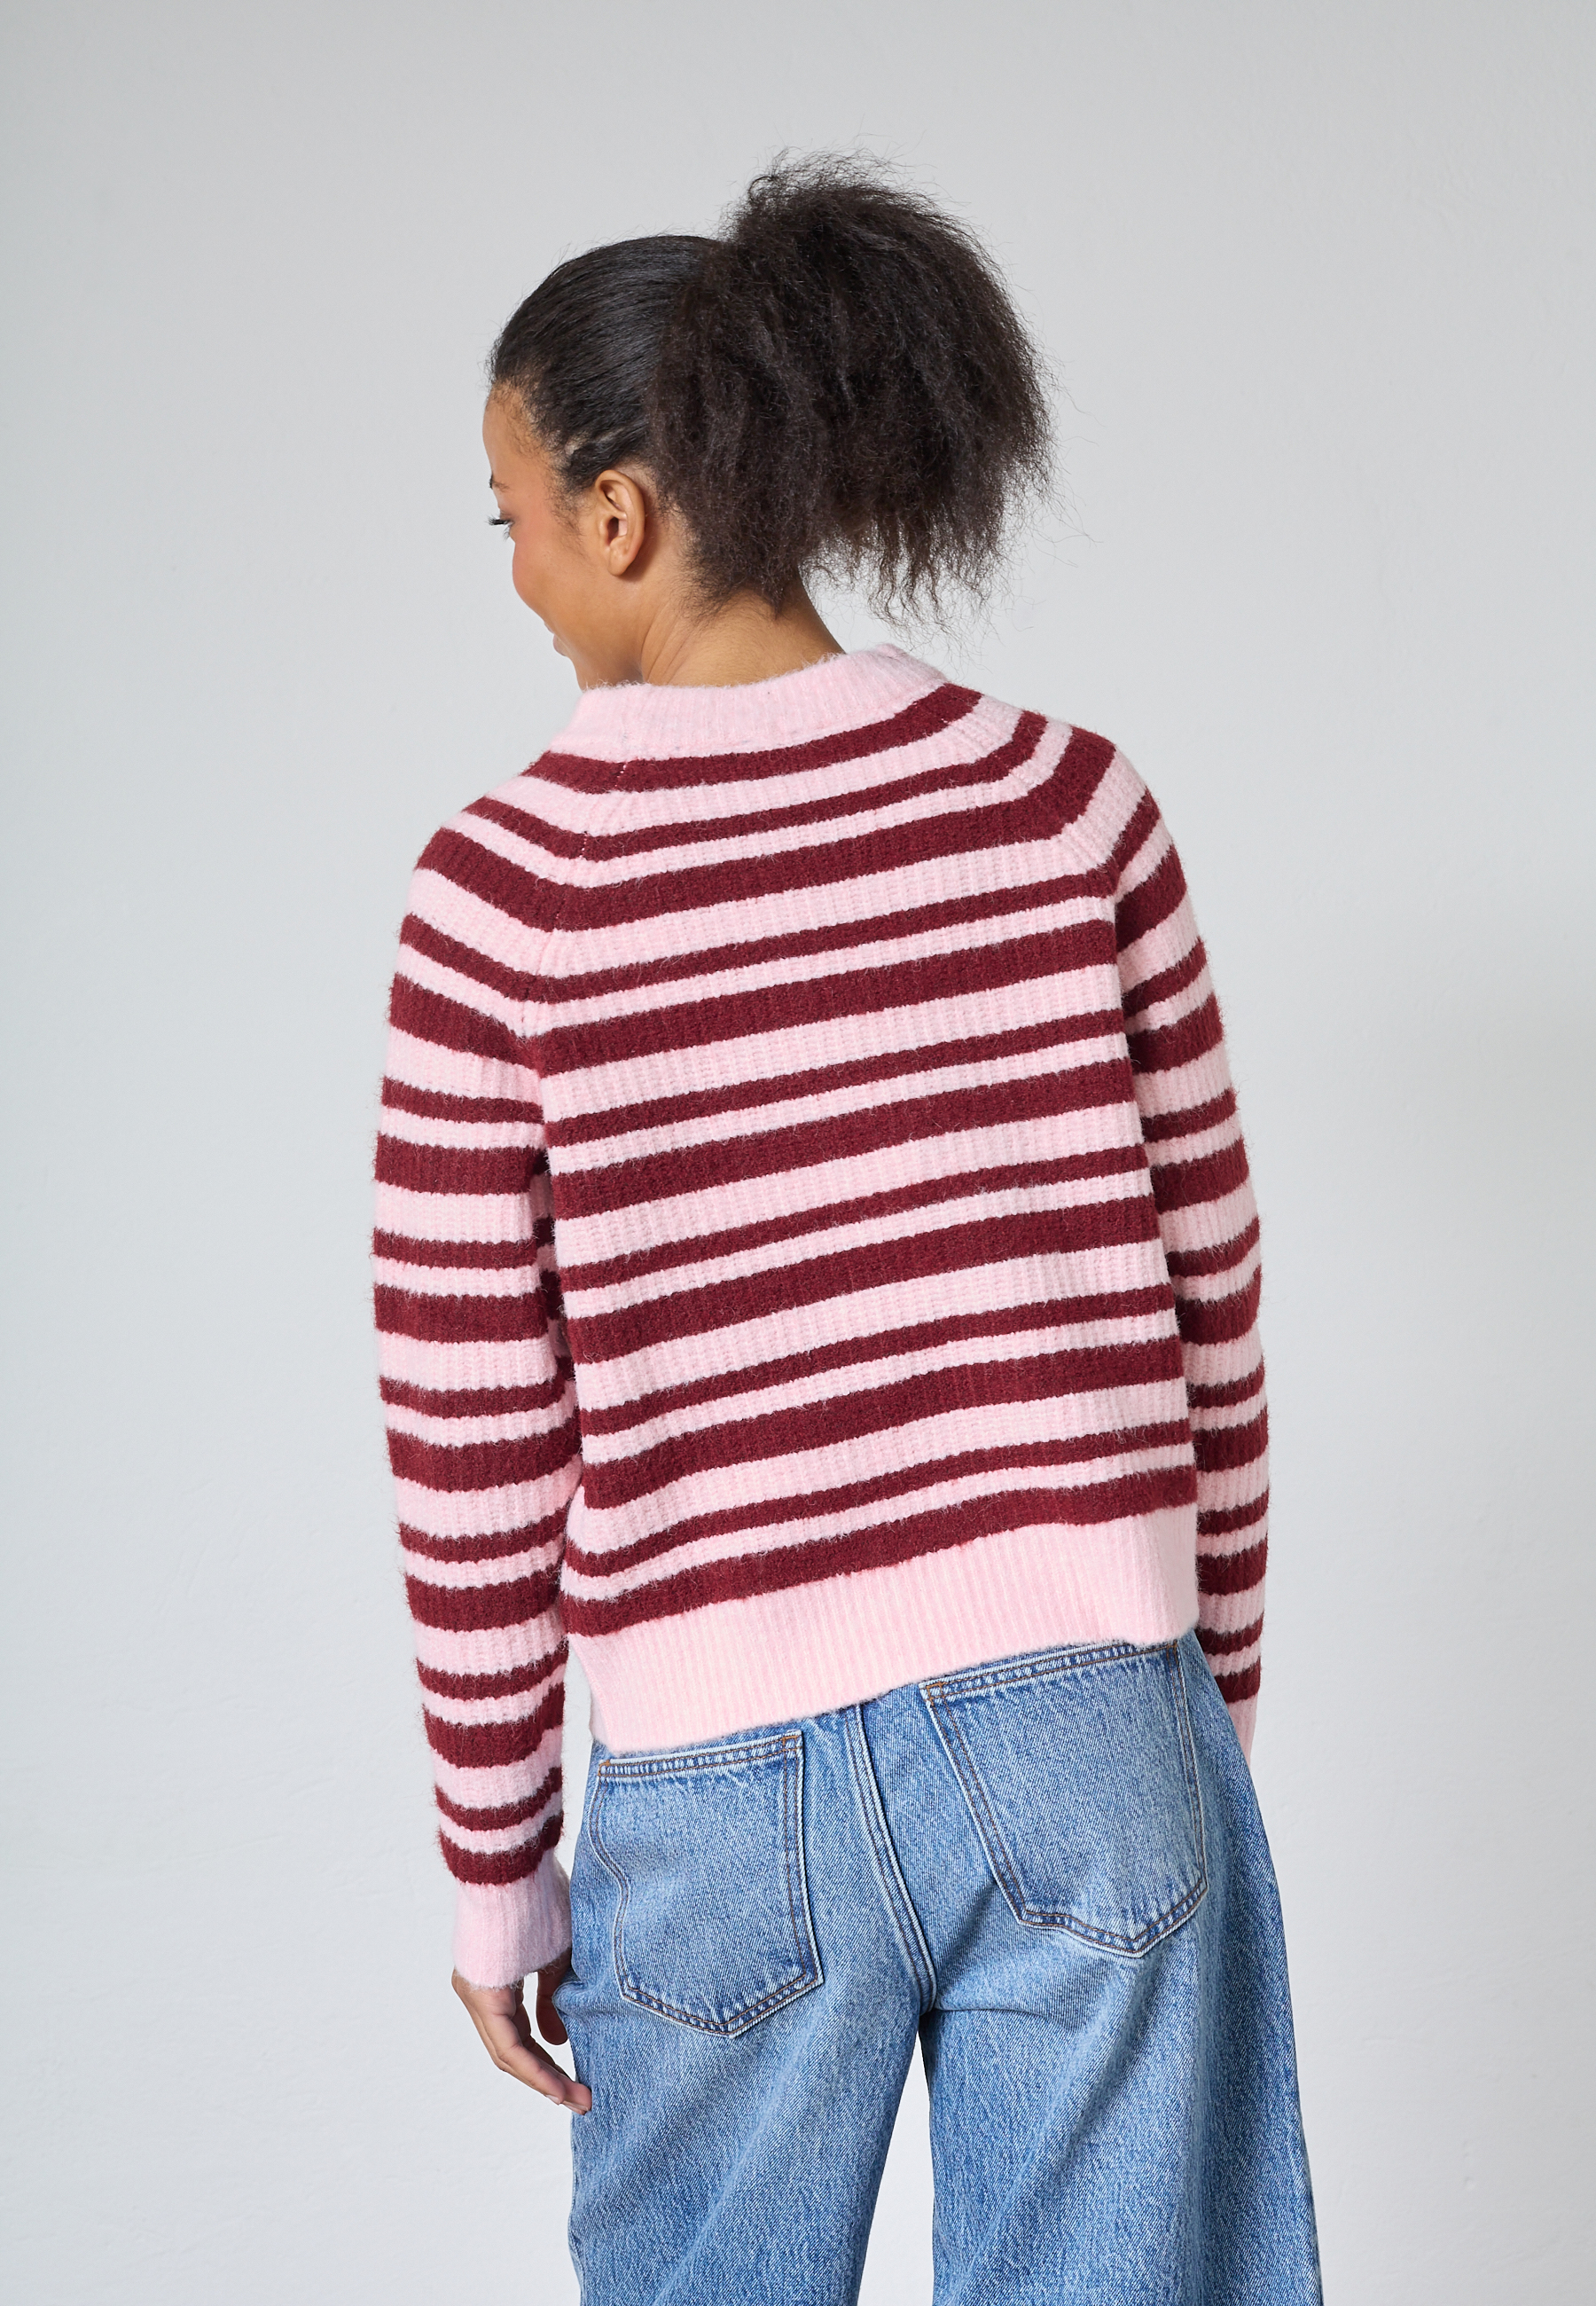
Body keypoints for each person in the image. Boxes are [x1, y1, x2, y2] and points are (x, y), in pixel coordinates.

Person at [373, 153, 1321, 2304]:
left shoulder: (506, 900)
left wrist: (496, 1871)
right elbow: (1215, 1312)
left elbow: (475, 1438)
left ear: (621, 515)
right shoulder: (1069, 806)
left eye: (510, 514)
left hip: (722, 1781)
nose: (517, 570)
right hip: (1100, 1719)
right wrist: (1192, 1715)